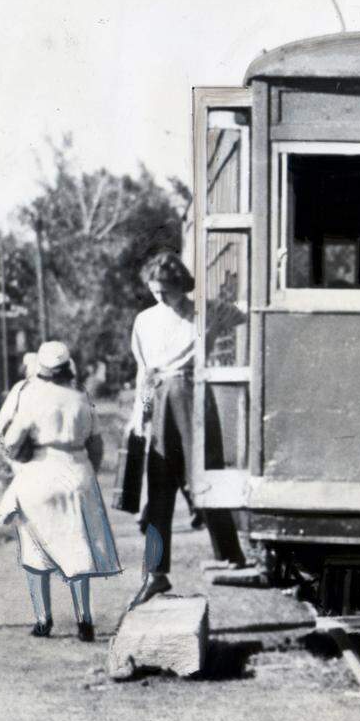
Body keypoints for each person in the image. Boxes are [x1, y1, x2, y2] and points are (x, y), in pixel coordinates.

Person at [0, 341, 121, 641]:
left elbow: (11, 442)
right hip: (77, 472)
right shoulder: (81, 398)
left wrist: (14, 456)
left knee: (36, 549)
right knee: (78, 548)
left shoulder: (32, 397)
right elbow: (97, 445)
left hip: (39, 474)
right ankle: (84, 621)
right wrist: (84, 469)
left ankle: (43, 620)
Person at [128, 252, 203, 601]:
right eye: (155, 291)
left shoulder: (202, 313)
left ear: (181, 285)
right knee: (159, 490)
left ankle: (232, 556)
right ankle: (156, 572)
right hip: (158, 402)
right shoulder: (145, 321)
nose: (161, 299)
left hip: (192, 401)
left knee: (202, 484)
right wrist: (140, 415)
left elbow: (244, 312)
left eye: (167, 292)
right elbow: (144, 373)